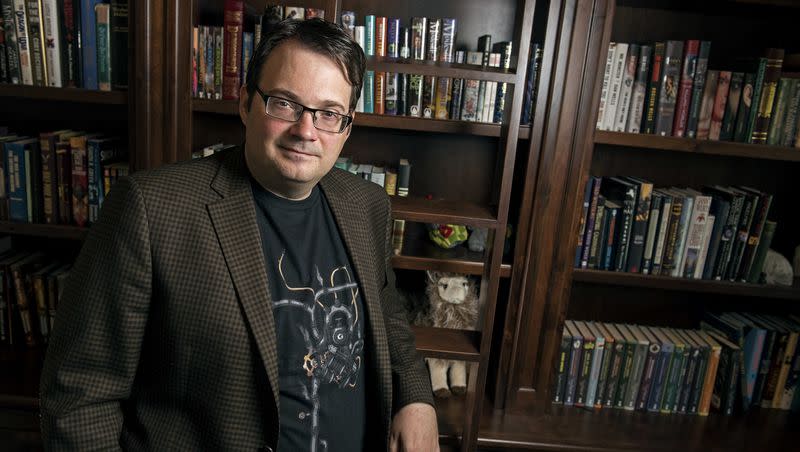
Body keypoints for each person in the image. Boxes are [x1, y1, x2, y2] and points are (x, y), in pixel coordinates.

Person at [40, 18, 438, 452]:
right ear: (247, 104)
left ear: (346, 127)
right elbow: (79, 395)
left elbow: (388, 320)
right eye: (285, 103)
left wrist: (417, 398)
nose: (306, 131)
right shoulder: (150, 209)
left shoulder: (367, 205)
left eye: (328, 113)